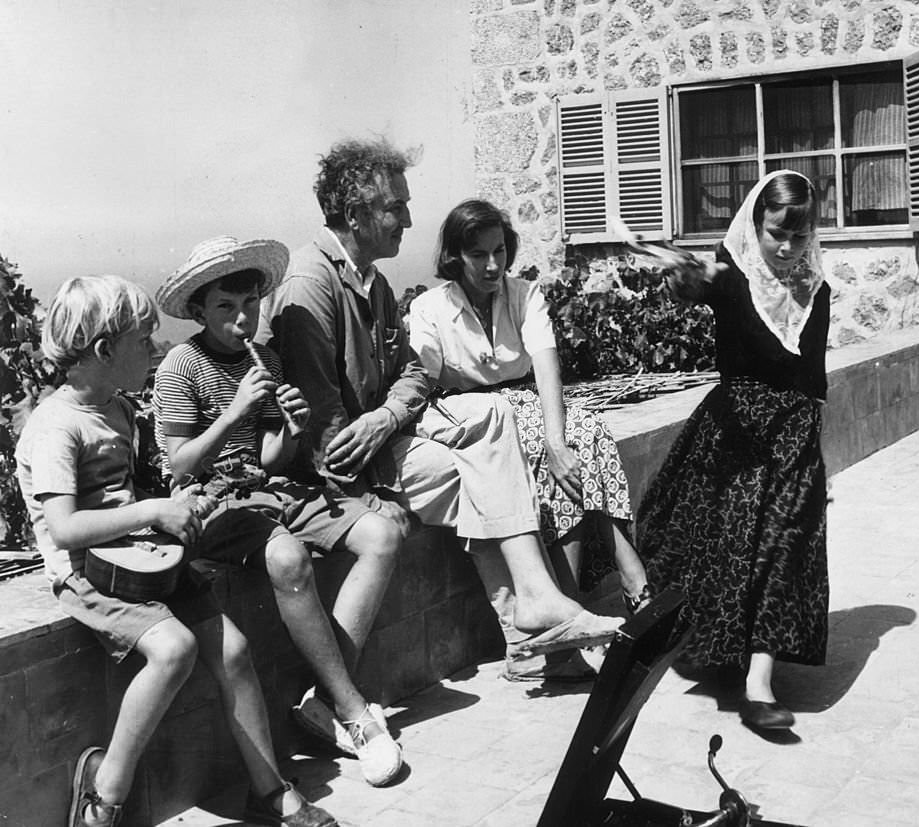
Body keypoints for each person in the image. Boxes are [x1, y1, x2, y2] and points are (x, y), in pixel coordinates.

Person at [256, 137, 623, 671]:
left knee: (490, 439)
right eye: (395, 206)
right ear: (356, 215)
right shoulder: (312, 286)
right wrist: (363, 499)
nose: (407, 220)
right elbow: (325, 430)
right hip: (341, 474)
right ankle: (527, 625)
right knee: (481, 470)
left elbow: (411, 372)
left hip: (381, 441)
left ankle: (529, 618)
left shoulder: (371, 281)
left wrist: (386, 415)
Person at [15, 276, 338, 827]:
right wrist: (151, 513)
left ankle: (269, 792)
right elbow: (64, 528)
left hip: (141, 561)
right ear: (104, 350)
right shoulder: (56, 427)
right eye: (144, 340)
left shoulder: (117, 409)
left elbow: (139, 491)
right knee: (174, 650)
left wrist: (175, 504)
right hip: (88, 572)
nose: (152, 349)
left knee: (232, 650)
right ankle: (104, 792)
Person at [153, 236, 403, 787]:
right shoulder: (180, 365)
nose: (241, 321)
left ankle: (329, 698)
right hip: (211, 501)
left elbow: (270, 458)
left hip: (270, 490)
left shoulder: (264, 358)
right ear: (198, 309)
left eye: (249, 307)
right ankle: (353, 711)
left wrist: (289, 427)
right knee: (288, 559)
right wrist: (234, 410)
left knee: (382, 536)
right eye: (224, 308)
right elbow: (179, 465)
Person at [635, 169, 830, 731]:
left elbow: (813, 379)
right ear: (757, 226)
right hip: (734, 436)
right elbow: (695, 287)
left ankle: (758, 685)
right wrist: (685, 275)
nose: (788, 248)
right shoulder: (731, 281)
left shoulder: (817, 291)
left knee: (783, 545)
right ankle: (714, 648)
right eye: (776, 234)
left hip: (793, 435)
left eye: (799, 235)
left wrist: (821, 455)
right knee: (725, 546)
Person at [407, 199, 651, 621]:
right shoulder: (431, 308)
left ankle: (605, 590)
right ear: (455, 257)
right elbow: (420, 381)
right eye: (478, 254)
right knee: (544, 446)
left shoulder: (523, 294)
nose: (491, 265)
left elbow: (545, 363)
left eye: (499, 251)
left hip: (526, 400)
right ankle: (622, 587)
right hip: (474, 414)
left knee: (584, 429)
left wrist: (558, 442)